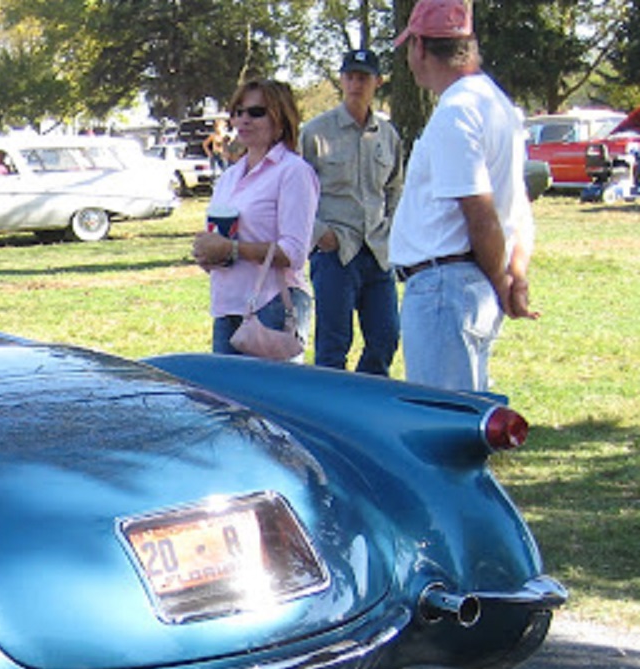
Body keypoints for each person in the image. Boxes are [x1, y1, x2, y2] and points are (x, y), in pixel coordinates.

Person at [389, 0, 538, 391]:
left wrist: (502, 280)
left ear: (419, 46)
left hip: (445, 287)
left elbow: (481, 212)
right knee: (464, 419)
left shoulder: (457, 111)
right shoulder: (497, 104)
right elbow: (518, 207)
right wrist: (513, 274)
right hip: (465, 285)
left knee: (443, 425)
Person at [191, 79, 319, 358]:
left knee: (269, 399)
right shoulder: (229, 177)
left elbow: (294, 252)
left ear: (280, 117)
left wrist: (232, 249)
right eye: (237, 111)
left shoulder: (293, 172)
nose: (243, 119)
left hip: (271, 304)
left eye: (256, 112)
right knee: (225, 399)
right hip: (228, 306)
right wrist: (209, 254)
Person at [299, 49, 404, 375]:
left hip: (376, 251)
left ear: (378, 83)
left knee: (386, 337)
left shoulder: (387, 135)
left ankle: (366, 402)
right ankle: (330, 411)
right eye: (350, 77)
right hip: (336, 252)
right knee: (333, 345)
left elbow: (395, 188)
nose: (356, 84)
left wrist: (390, 230)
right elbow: (296, 193)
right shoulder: (316, 132)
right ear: (342, 80)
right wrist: (319, 234)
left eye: (364, 77)